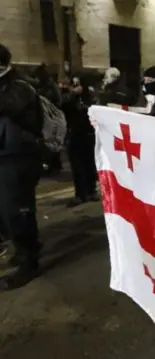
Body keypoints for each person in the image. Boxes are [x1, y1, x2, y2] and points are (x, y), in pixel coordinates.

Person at [0, 44, 42, 289]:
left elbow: (8, 105)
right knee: (7, 212)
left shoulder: (20, 86)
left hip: (19, 158)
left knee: (18, 211)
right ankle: (24, 248)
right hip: (5, 155)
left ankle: (29, 263)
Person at [61, 75, 98, 207]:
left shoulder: (90, 96)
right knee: (77, 166)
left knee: (90, 164)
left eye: (78, 84)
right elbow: (62, 104)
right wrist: (72, 94)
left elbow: (95, 108)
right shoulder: (69, 97)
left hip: (88, 134)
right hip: (74, 135)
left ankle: (91, 190)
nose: (76, 87)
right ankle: (80, 193)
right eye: (74, 85)